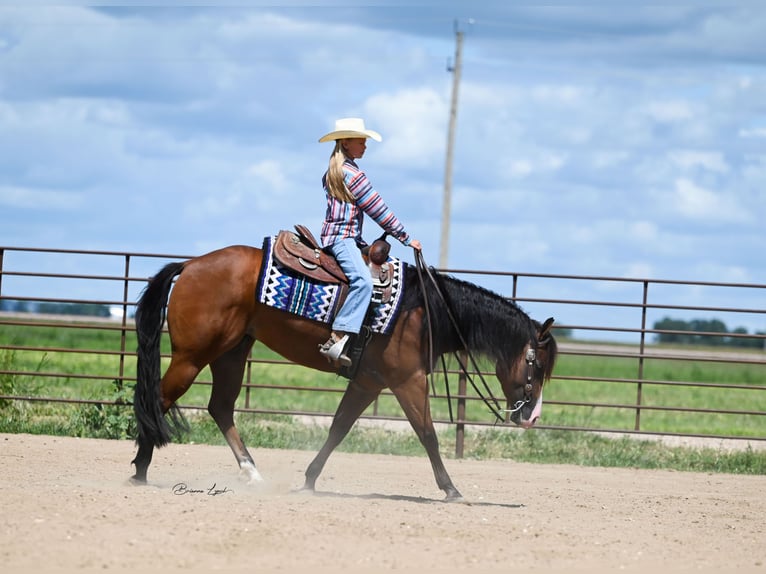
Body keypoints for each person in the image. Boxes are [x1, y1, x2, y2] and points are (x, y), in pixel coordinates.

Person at [317, 117, 422, 366]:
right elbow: (378, 209)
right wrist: (405, 238)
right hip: (344, 240)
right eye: (360, 140)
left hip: (342, 237)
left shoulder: (334, 172)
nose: (365, 145)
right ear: (345, 142)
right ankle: (339, 335)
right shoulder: (353, 175)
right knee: (363, 282)